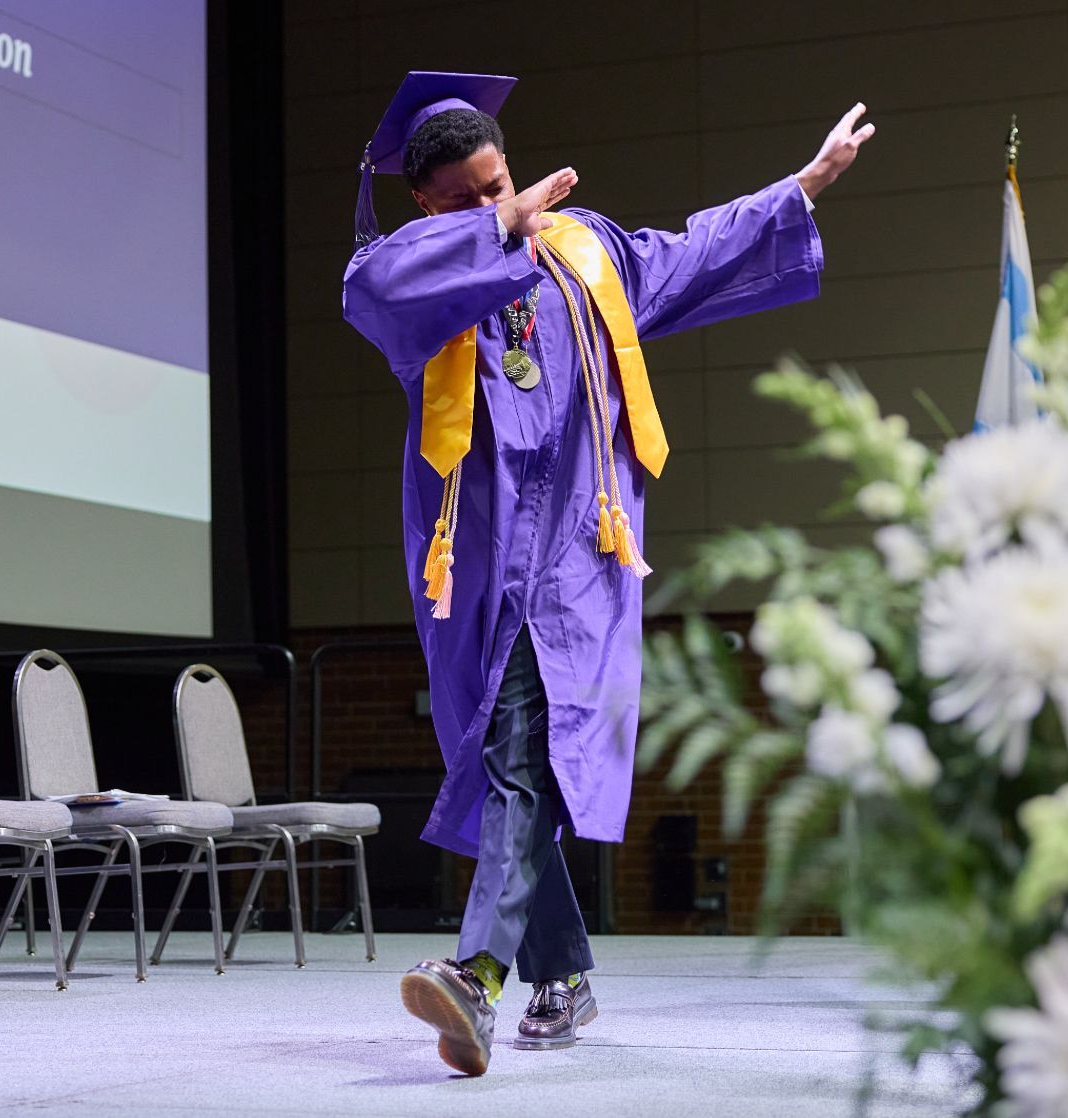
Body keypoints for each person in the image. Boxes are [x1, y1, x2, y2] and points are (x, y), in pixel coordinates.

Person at [342, 70, 874, 1077]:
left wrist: (799, 187)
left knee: (516, 753)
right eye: (460, 198)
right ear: (425, 204)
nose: (492, 205)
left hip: (584, 559)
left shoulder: (584, 251)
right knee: (509, 758)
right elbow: (372, 285)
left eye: (497, 184)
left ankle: (476, 976)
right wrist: (493, 234)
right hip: (481, 564)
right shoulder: (419, 271)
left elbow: (692, 251)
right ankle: (568, 972)